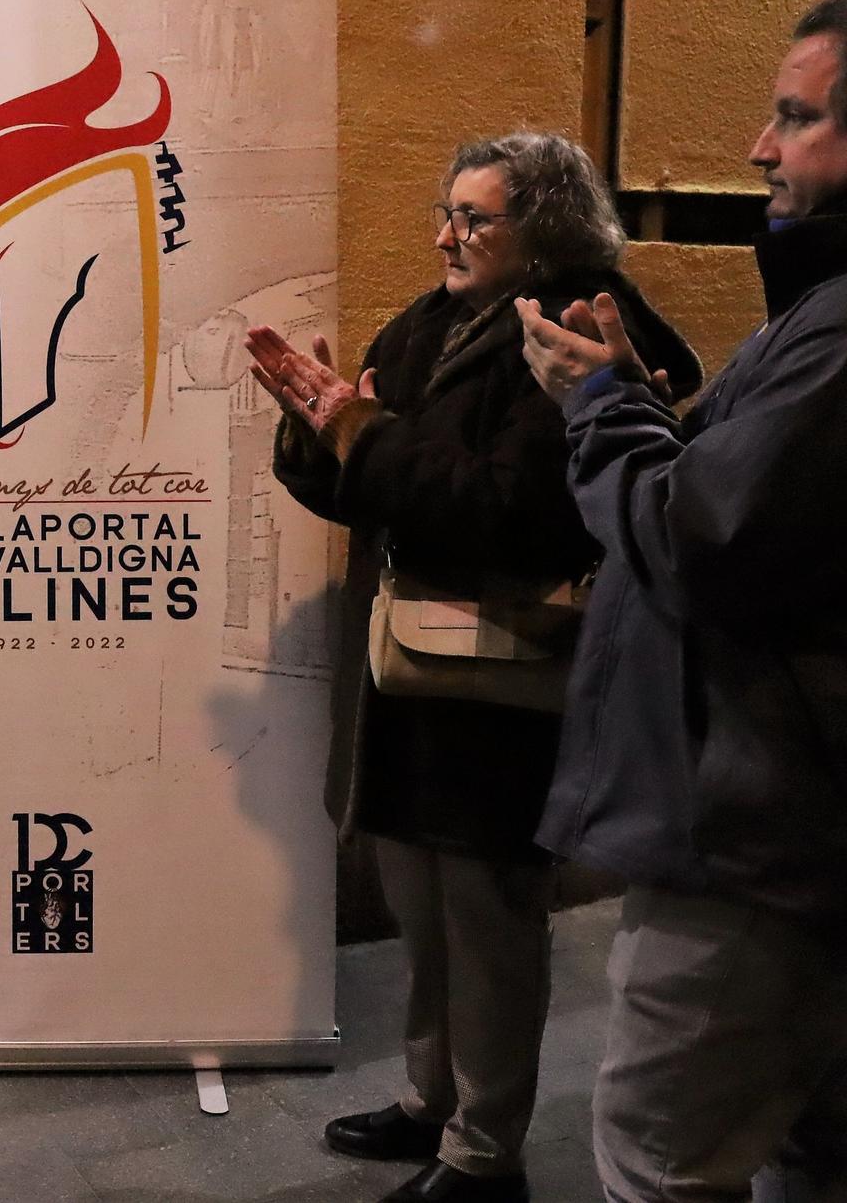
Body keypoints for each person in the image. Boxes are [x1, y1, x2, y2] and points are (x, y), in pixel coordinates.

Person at [249, 131, 701, 1203]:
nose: (443, 234)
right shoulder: (436, 319)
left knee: (488, 923)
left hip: (504, 679)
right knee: (419, 902)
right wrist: (317, 429)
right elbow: (381, 479)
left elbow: (509, 508)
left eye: (473, 217)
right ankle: (429, 1100)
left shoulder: (577, 330)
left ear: (541, 229)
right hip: (411, 663)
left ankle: (483, 1152)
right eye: (445, 210)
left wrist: (359, 428)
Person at [517, 0, 847, 1202]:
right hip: (783, 822)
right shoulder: (814, 314)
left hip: (758, 841)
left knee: (659, 1157)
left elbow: (700, 538)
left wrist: (602, 410)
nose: (759, 146)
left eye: (795, 116)